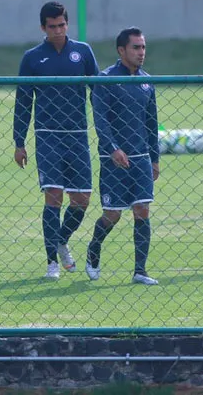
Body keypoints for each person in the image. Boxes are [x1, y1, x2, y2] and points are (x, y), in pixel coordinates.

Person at [13, 1, 100, 280]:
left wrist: (105, 131)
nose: (58, 30)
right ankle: (51, 261)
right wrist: (19, 140)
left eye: (62, 25)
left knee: (82, 199)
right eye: (52, 27)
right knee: (54, 196)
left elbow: (97, 92)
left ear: (67, 23)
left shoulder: (83, 52)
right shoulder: (32, 58)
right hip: (47, 136)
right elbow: (23, 101)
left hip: (77, 135)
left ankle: (61, 239)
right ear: (43, 27)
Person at [86, 28, 160, 285]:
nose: (141, 53)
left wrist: (155, 158)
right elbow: (101, 120)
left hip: (141, 159)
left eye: (143, 47)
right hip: (113, 160)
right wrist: (112, 148)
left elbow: (152, 123)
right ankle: (93, 248)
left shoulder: (147, 81)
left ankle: (140, 271)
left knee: (142, 210)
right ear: (121, 50)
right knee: (113, 215)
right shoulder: (105, 79)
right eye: (136, 48)